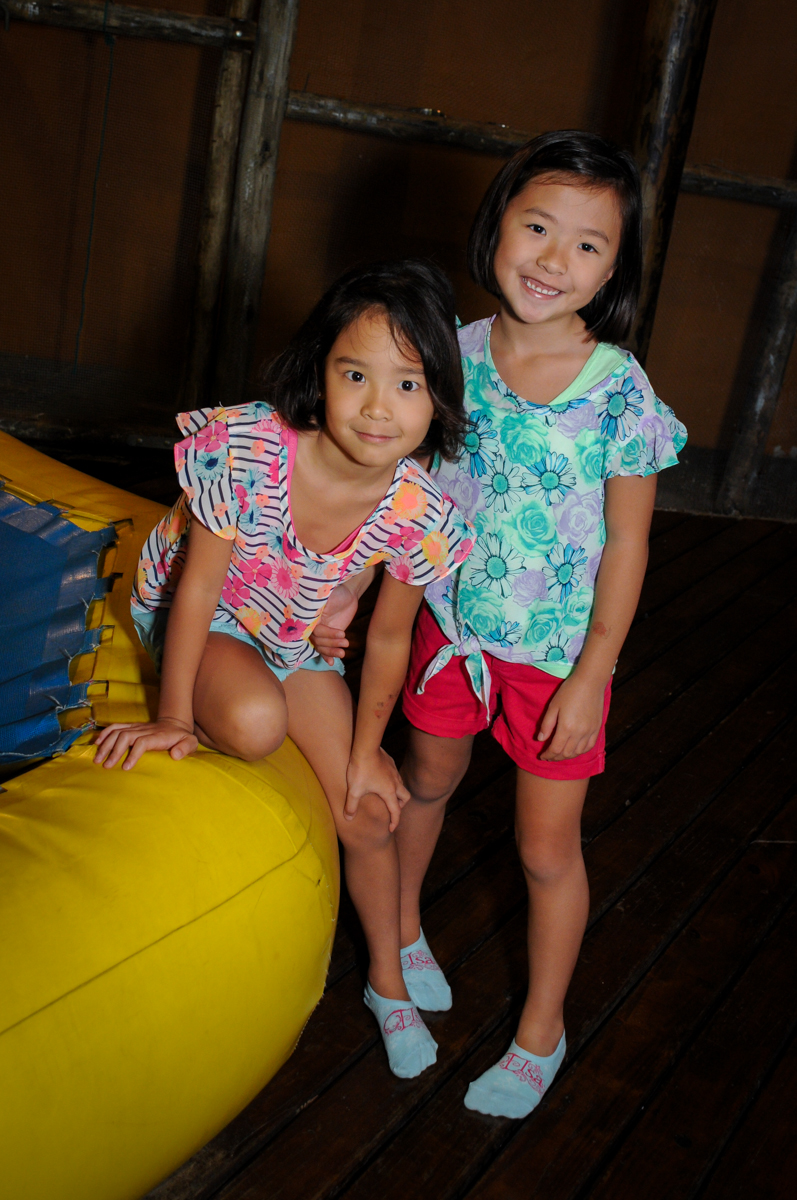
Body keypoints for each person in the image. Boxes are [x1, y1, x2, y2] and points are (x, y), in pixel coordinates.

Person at [311, 132, 687, 1116]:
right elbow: (404, 492)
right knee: (424, 781)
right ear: (496, 226)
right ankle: (395, 939)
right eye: (534, 227)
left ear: (615, 267)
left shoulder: (619, 393)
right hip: (446, 627)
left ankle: (540, 1030)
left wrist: (590, 675)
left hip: (556, 658)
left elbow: (626, 547)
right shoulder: (448, 359)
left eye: (586, 245)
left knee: (542, 848)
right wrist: (348, 593)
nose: (552, 259)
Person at [93, 260, 475, 1080]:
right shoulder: (251, 448)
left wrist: (370, 747)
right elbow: (196, 590)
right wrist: (172, 716)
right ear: (318, 374)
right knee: (258, 722)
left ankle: (384, 979)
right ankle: (216, 699)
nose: (378, 406)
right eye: (355, 375)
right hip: (209, 614)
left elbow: (388, 643)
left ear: (439, 399)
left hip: (291, 633)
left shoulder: (420, 515)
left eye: (408, 384)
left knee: (365, 804)